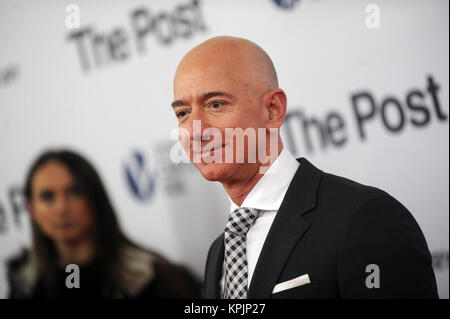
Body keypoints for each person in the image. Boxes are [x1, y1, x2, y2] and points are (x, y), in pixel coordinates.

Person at [171, 36, 438, 298]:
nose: (196, 131)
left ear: (273, 110)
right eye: (183, 113)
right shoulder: (218, 252)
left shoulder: (362, 218)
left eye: (215, 104)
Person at [7, 150, 201, 299]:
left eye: (74, 192)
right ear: (31, 208)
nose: (61, 208)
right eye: (47, 196)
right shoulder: (24, 283)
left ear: (95, 198)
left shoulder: (154, 278)